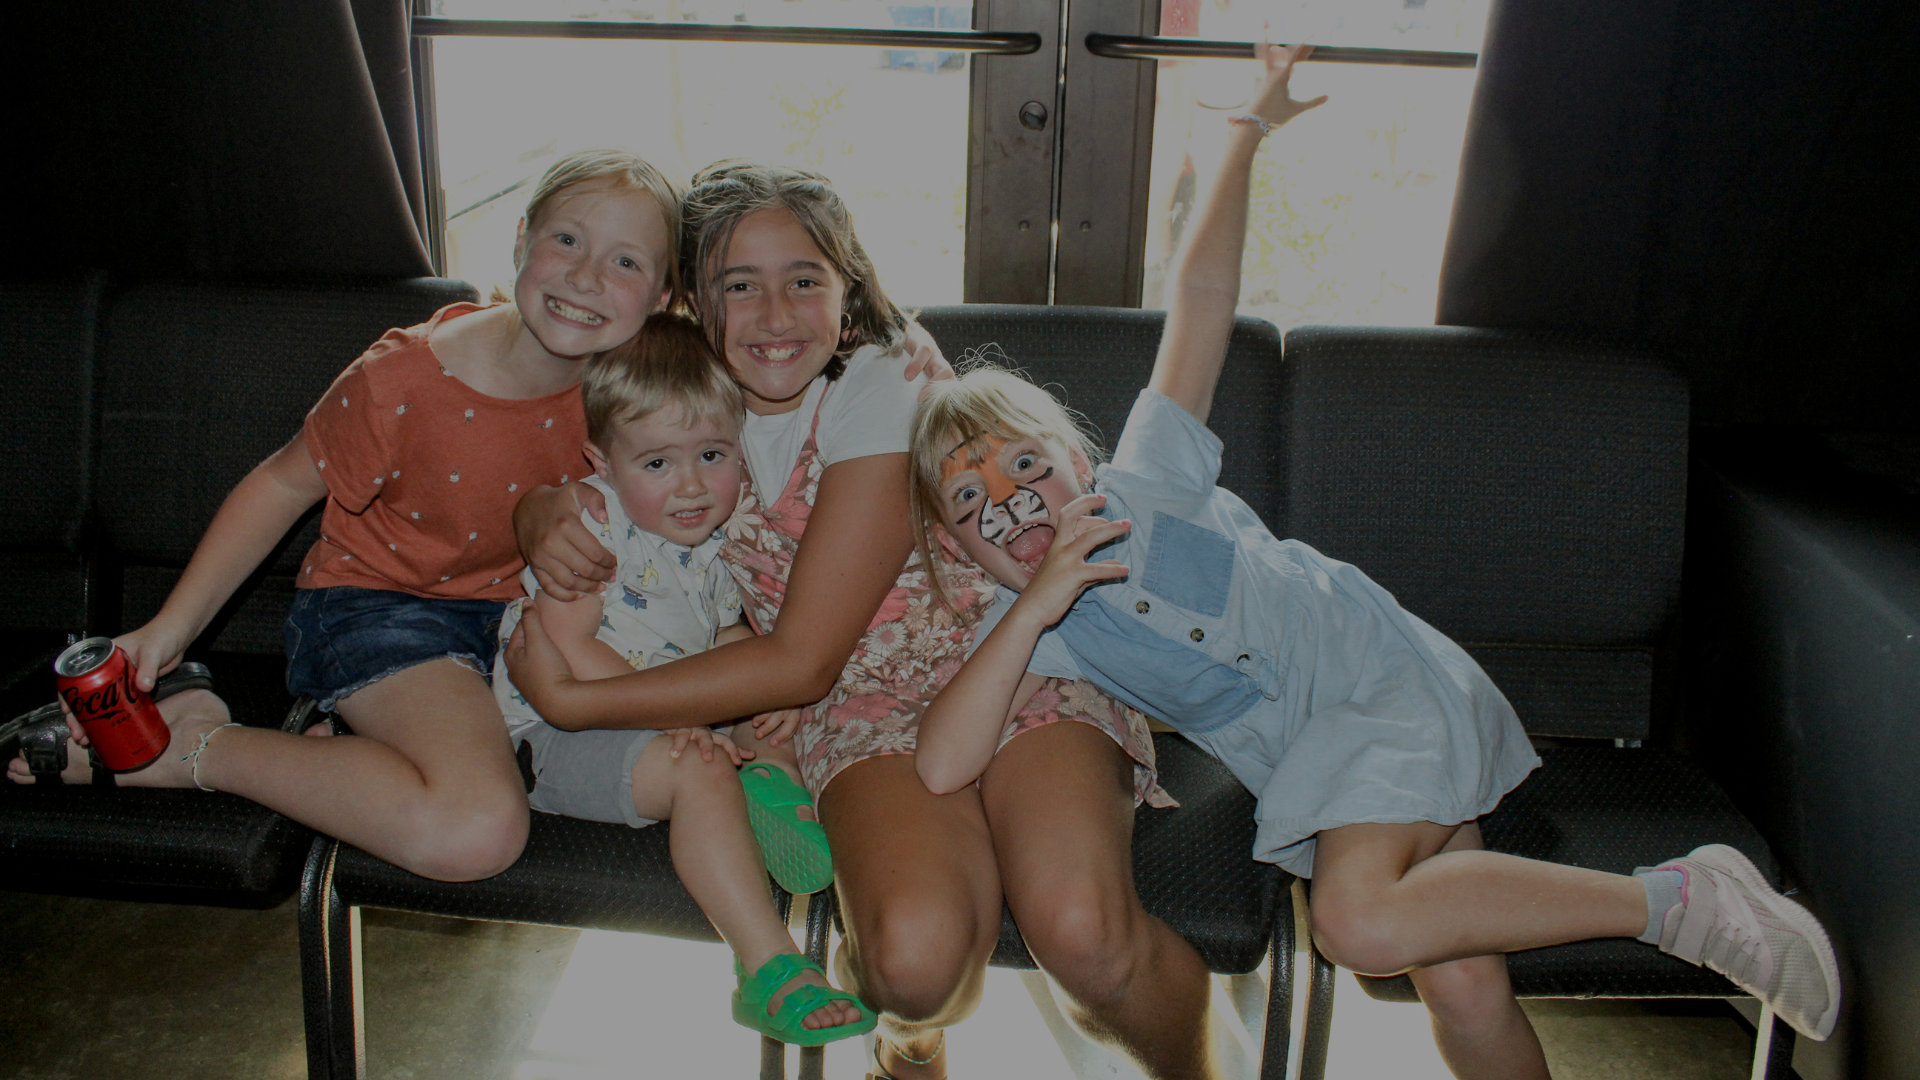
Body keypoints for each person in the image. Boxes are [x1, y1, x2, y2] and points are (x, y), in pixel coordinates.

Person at [906, 41, 1843, 1078]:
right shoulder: (1037, 632)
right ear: (953, 549)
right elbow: (944, 761)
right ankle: (1678, 909)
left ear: (1076, 457)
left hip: (1382, 691)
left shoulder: (1148, 484)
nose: (1007, 503)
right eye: (968, 505)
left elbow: (1203, 300)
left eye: (1024, 464)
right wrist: (1033, 608)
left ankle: (1677, 903)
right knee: (1463, 983)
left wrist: (1242, 134)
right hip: (1321, 769)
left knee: (1356, 926)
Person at [506, 161, 1217, 1080]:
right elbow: (537, 399)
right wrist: (537, 505)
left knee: (1085, 934)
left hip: (1013, 656)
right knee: (915, 967)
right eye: (738, 284)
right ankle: (910, 1035)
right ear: (688, 299)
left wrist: (568, 700)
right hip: (858, 710)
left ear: (849, 296)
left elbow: (799, 659)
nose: (773, 314)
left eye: (804, 280)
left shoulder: (879, 379)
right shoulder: (668, 394)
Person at [4, 149, 682, 884]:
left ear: (663, 300)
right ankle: (199, 747)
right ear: (520, 240)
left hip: (519, 623)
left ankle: (342, 747)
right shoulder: (402, 380)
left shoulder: (637, 392)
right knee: (475, 833)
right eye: (567, 241)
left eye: (625, 262)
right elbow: (278, 486)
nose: (586, 277)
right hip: (383, 608)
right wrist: (170, 630)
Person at [491, 311, 872, 1043]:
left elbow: (724, 636)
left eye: (713, 455)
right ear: (602, 462)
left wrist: (766, 695)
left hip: (660, 715)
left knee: (771, 725)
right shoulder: (593, 525)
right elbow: (567, 647)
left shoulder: (710, 543)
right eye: (658, 463)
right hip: (555, 737)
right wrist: (676, 720)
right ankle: (768, 968)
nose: (692, 486)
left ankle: (769, 788)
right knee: (696, 765)